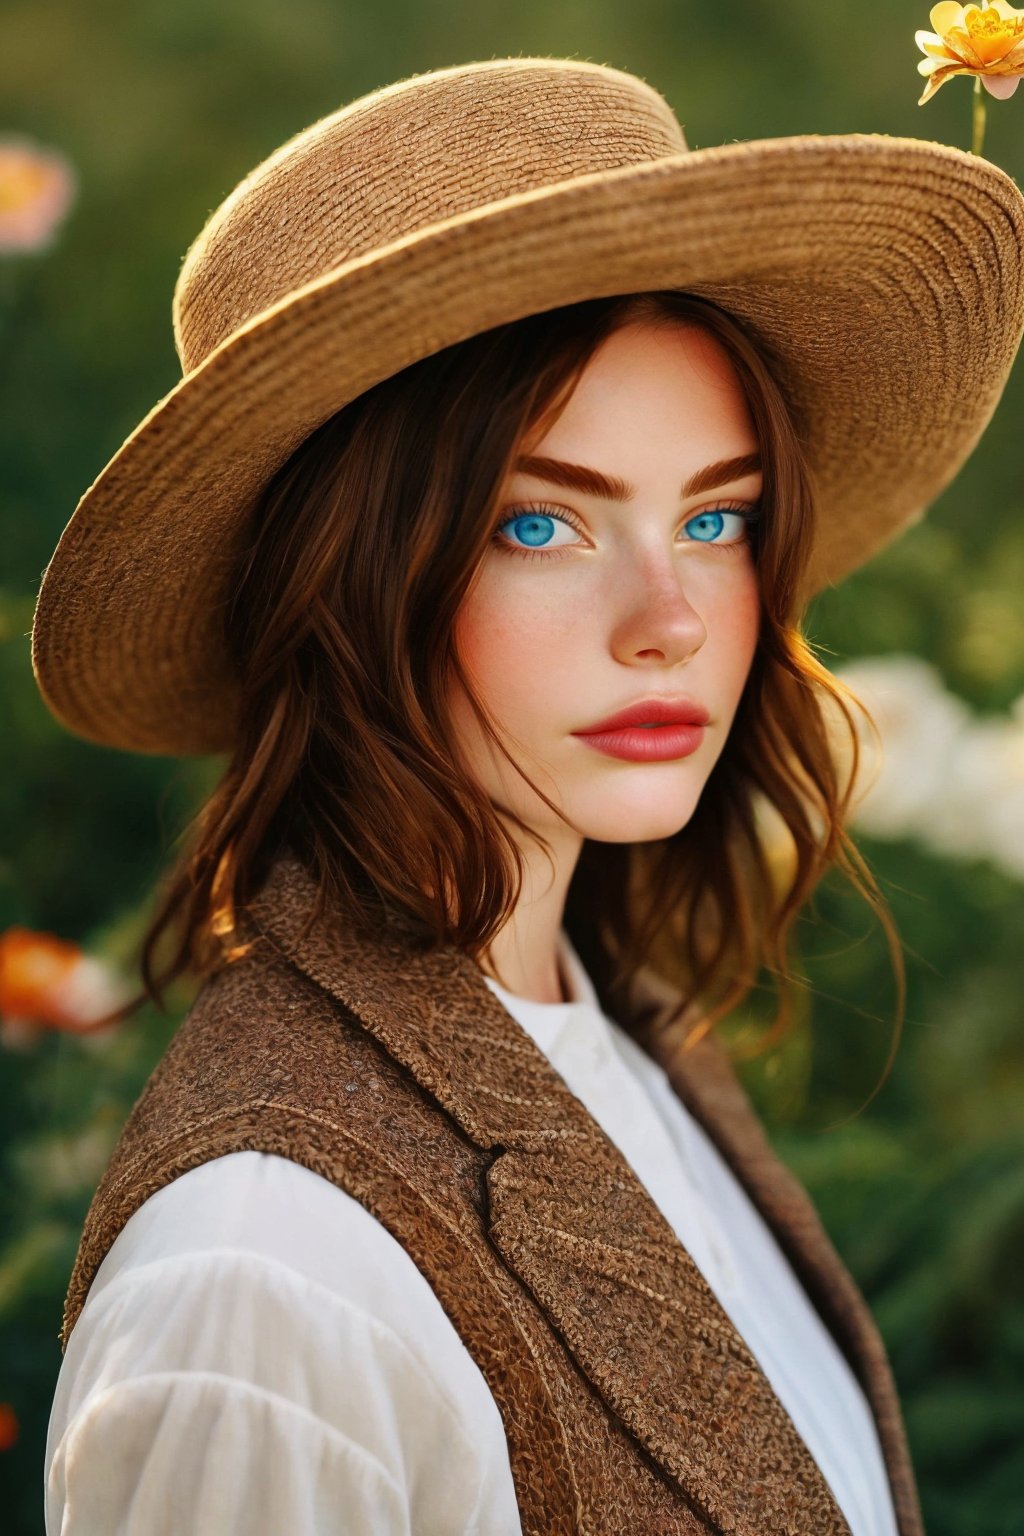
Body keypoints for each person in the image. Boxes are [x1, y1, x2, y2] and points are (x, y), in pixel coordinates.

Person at [32, 56, 1024, 1536]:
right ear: (344, 584)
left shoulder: (625, 1034)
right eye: (544, 521)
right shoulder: (259, 1286)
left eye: (716, 516)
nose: (671, 618)